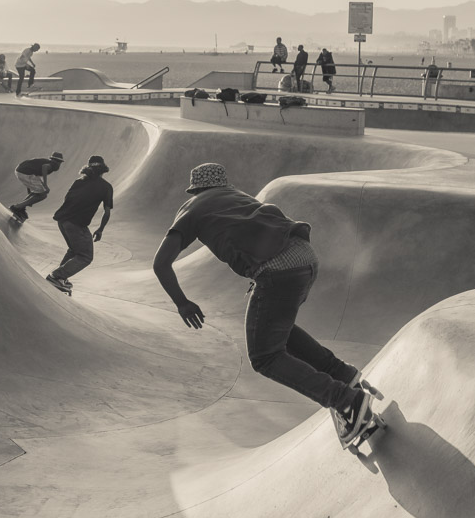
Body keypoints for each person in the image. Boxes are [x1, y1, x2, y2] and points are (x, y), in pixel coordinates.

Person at [151, 162, 374, 443]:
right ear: (222, 184)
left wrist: (182, 302)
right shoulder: (240, 196)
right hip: (305, 257)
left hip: (277, 269)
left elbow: (161, 263)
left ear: (196, 189)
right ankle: (344, 375)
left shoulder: (193, 206)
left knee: (265, 357)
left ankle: (347, 401)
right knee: (278, 331)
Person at [45, 155, 113, 294]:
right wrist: (100, 229)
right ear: (103, 169)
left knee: (74, 250)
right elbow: (107, 212)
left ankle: (59, 278)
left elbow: (67, 198)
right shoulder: (106, 187)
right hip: (76, 224)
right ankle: (56, 276)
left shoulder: (78, 182)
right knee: (85, 256)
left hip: (62, 220)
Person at [8, 151, 64, 221]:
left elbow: (34, 173)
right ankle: (17, 207)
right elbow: (44, 167)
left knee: (41, 192)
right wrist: (45, 185)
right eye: (58, 162)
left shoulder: (45, 162)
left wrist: (30, 190)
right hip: (25, 173)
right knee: (43, 195)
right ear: (57, 161)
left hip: (22, 171)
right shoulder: (51, 165)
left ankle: (21, 207)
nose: (58, 164)